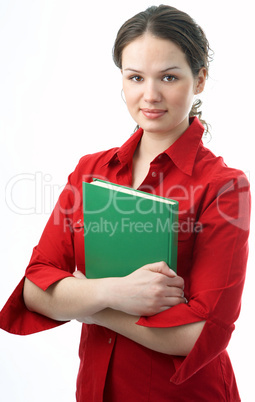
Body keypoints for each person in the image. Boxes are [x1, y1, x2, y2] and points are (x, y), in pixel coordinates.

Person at [0, 5, 251, 401]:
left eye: (169, 76)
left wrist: (86, 301)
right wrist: (117, 292)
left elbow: (200, 335)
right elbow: (35, 288)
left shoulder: (223, 187)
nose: (149, 95)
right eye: (135, 77)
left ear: (199, 79)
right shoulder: (90, 171)